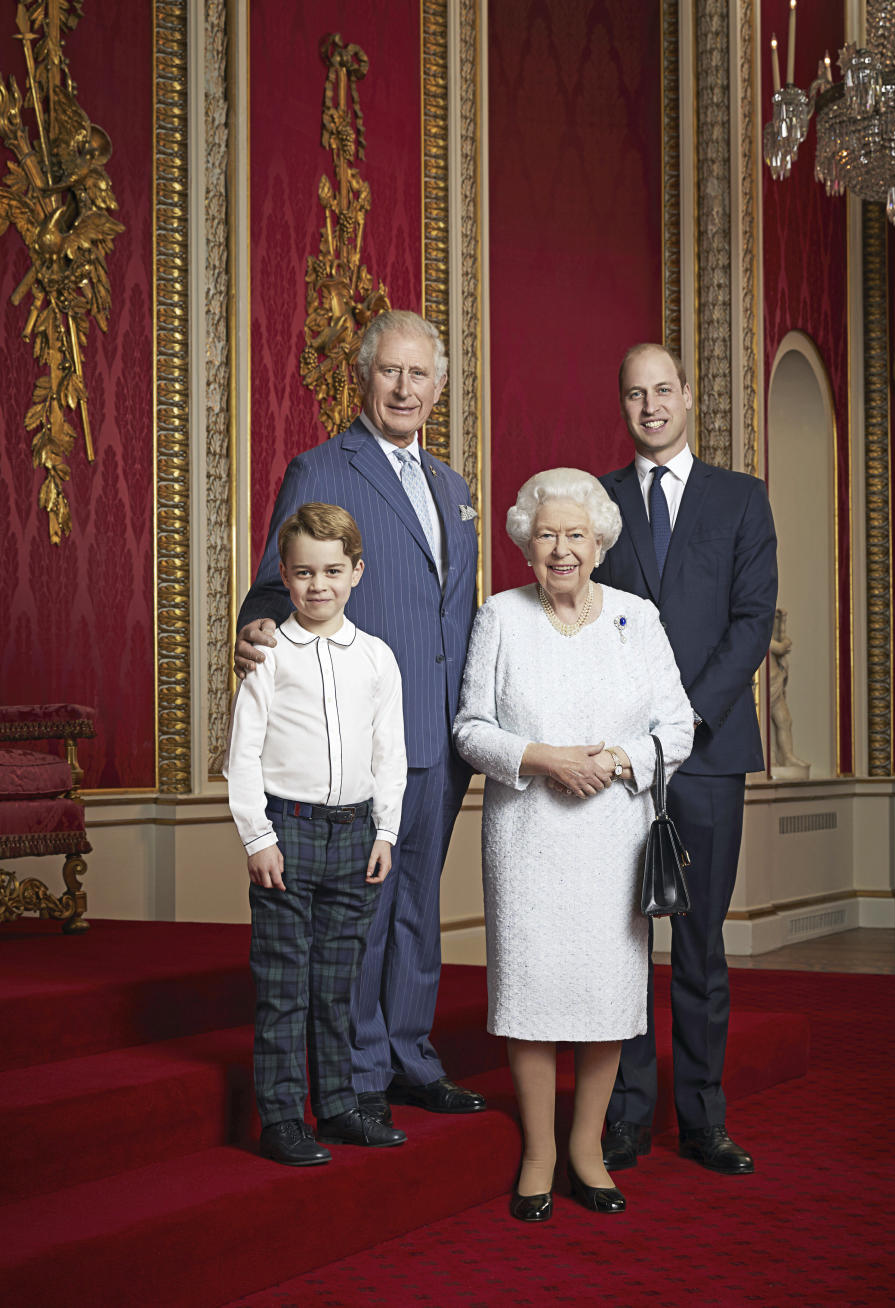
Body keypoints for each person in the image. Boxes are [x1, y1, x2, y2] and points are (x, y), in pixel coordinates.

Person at [234, 310, 485, 1124]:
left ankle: (411, 1053)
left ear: (438, 388)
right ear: (365, 377)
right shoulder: (322, 468)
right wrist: (259, 624)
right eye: (391, 372)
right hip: (362, 729)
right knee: (363, 918)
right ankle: (356, 1073)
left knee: (418, 905)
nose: (406, 388)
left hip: (443, 732)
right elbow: (280, 576)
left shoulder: (453, 486)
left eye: (420, 375)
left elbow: (455, 610)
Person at [453, 468, 694, 1221]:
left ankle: (587, 1148)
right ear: (527, 542)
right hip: (527, 835)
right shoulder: (500, 616)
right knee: (529, 991)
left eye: (576, 536)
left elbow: (677, 727)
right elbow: (470, 728)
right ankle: (539, 1151)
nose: (562, 550)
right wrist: (543, 759)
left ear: (599, 543)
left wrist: (617, 762)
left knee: (606, 996)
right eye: (548, 535)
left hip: (613, 835)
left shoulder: (637, 617)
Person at [595, 343, 777, 1176]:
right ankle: (627, 1115)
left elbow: (751, 623)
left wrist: (686, 717)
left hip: (706, 754)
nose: (650, 406)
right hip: (621, 760)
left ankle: (703, 1118)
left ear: (688, 398)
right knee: (625, 943)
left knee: (700, 944)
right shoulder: (593, 503)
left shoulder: (742, 500)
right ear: (624, 405)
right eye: (636, 394)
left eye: (662, 390)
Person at [225, 503, 408, 1162]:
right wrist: (256, 837)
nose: (318, 585)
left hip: (355, 835)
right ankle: (281, 1116)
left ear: (356, 571)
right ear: (285, 574)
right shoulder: (270, 655)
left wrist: (385, 831)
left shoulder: (378, 659)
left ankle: (336, 1107)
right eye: (304, 573)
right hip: (288, 832)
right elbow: (241, 755)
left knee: (337, 984)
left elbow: (391, 753)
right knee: (283, 984)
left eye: (333, 570)